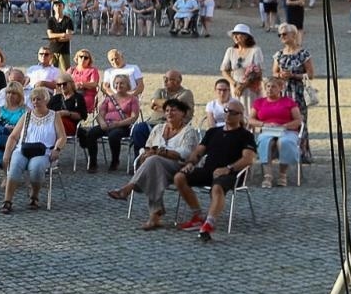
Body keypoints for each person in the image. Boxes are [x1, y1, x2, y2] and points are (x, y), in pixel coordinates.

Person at [109, 97, 200, 229]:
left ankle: (129, 188)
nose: (169, 113)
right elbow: (147, 147)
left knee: (154, 161)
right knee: (153, 166)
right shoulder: (158, 128)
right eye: (167, 110)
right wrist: (146, 154)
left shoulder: (189, 131)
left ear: (183, 114)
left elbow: (184, 154)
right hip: (156, 167)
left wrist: (160, 152)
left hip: (179, 168)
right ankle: (154, 217)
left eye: (173, 110)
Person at [174, 100, 257, 240]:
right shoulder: (213, 132)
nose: (228, 115)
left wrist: (228, 168)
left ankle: (209, 223)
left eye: (233, 113)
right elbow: (198, 151)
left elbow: (248, 159)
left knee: (217, 187)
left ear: (240, 116)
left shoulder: (245, 135)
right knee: (179, 177)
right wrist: (191, 163)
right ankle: (198, 215)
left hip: (232, 173)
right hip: (208, 170)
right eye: (226, 111)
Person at [0, 86, 63, 213]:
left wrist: (57, 149)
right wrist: (7, 154)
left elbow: (62, 136)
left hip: (44, 151)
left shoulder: (54, 116)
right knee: (15, 166)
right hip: (24, 148)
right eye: (33, 99)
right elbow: (13, 136)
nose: (35, 102)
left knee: (36, 166)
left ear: (45, 100)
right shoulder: (26, 116)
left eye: (38, 99)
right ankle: (7, 200)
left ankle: (34, 196)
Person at [248, 75, 304, 188]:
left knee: (284, 142)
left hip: (287, 130)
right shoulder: (259, 102)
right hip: (267, 130)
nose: (270, 89)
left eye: (273, 87)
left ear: (280, 88)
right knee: (265, 142)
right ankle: (267, 176)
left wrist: (284, 126)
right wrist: (263, 124)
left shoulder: (289, 102)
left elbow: (298, 120)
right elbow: (250, 120)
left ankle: (283, 175)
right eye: (268, 86)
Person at [87, 73, 141, 172]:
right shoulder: (109, 99)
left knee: (114, 136)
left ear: (127, 85)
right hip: (107, 124)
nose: (118, 85)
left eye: (121, 83)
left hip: (123, 126)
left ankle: (115, 161)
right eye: (116, 83)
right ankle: (93, 162)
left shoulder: (133, 99)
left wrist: (118, 124)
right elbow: (100, 114)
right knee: (91, 133)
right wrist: (102, 123)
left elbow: (134, 117)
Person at [272, 24, 317, 117]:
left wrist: (293, 75)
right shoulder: (279, 54)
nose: (282, 37)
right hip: (282, 92)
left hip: (298, 93)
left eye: (284, 34)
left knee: (299, 118)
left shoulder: (303, 54)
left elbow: (311, 75)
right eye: (279, 35)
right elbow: (274, 73)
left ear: (293, 34)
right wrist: (280, 75)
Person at [221, 23, 265, 102]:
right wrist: (235, 84)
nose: (235, 37)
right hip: (235, 87)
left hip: (250, 88)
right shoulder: (230, 51)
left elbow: (259, 72)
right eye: (234, 34)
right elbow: (224, 70)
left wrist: (243, 85)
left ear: (246, 36)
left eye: (238, 34)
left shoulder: (255, 50)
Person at [44, 1, 73, 69]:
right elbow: (50, 35)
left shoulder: (68, 20)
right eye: (56, 6)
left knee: (66, 71)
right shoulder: (50, 20)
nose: (58, 7)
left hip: (64, 50)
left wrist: (55, 38)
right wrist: (62, 34)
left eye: (60, 5)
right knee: (51, 71)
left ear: (63, 7)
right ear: (53, 8)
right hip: (53, 50)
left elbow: (68, 37)